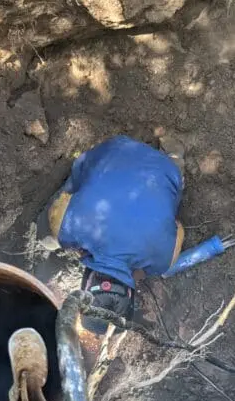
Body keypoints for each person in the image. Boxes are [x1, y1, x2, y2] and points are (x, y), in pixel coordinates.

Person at [37, 135, 185, 333]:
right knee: (54, 229)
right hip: (114, 150)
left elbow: (177, 227)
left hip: (126, 150)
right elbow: (63, 205)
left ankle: (174, 156)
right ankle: (170, 156)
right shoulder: (69, 228)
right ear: (86, 284)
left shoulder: (162, 261)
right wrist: (71, 239)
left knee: (170, 192)